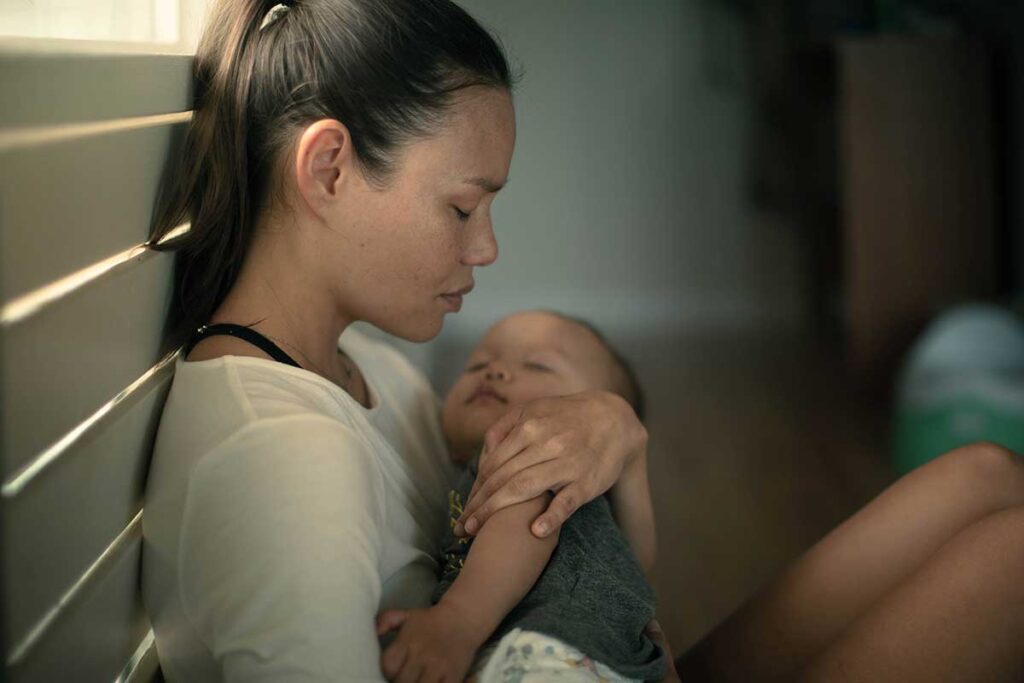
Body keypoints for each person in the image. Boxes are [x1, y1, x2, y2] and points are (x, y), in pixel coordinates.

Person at [141, 0, 1024, 680]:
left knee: (985, 475)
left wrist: (618, 441)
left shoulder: (369, 370)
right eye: (462, 207)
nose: (486, 249)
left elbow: (575, 563)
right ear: (329, 169)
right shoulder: (278, 453)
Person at [375, 310, 666, 682]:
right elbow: (635, 566)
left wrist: (457, 621)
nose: (494, 371)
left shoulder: (536, 453)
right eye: (478, 364)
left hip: (543, 657)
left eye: (538, 366)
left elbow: (527, 523)